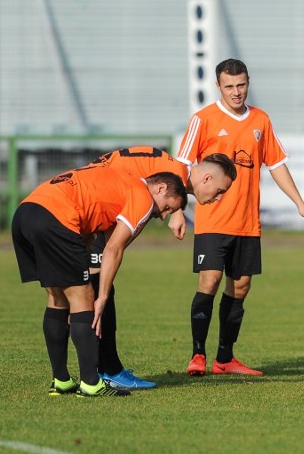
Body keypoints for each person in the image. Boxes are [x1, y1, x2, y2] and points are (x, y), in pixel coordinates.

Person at [178, 58, 304, 377]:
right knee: (209, 281)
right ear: (218, 86)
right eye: (229, 86)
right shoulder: (203, 119)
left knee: (240, 288)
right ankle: (197, 355)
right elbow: (182, 166)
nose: (236, 91)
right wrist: (176, 212)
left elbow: (277, 164)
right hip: (212, 219)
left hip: (247, 223)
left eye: (241, 85)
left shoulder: (260, 120)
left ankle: (224, 359)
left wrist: (299, 203)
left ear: (248, 82)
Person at [12, 166, 187, 397]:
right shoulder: (142, 196)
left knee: (57, 297)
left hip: (26, 213)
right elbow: (113, 248)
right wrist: (102, 296)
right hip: (56, 217)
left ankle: (62, 380)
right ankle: (91, 383)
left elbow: (86, 232)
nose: (163, 215)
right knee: (83, 295)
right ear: (160, 188)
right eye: (166, 207)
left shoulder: (121, 180)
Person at [85, 146, 237, 389]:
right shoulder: (170, 178)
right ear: (206, 178)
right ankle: (106, 371)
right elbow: (120, 241)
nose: (218, 197)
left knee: (94, 286)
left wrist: (178, 210)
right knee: (97, 289)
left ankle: (95, 370)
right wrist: (176, 211)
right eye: (219, 191)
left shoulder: (172, 172)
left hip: (91, 191)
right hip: (90, 199)